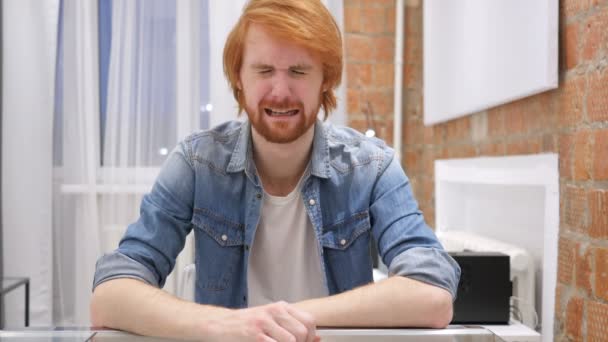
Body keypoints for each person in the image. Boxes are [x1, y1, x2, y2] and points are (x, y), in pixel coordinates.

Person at [90, 0, 461, 341]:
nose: (280, 91)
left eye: (298, 71)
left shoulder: (372, 167)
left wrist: (279, 319)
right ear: (239, 76)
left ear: (326, 79)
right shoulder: (197, 162)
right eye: (264, 70)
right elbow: (109, 294)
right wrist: (224, 324)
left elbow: (432, 293)